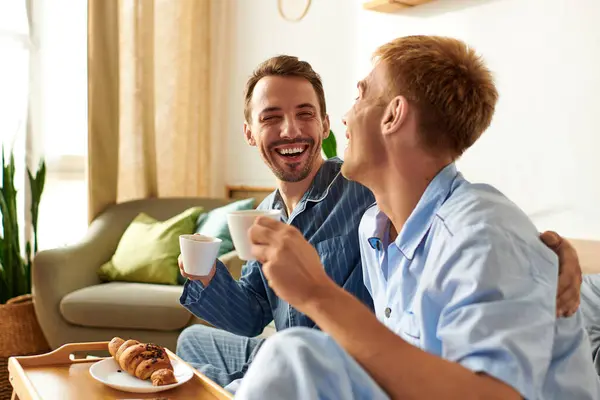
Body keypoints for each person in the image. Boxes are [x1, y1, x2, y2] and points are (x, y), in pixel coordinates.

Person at [177, 55, 582, 393]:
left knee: (291, 355)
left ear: (393, 115)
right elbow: (253, 312)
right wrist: (203, 276)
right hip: (350, 364)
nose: (349, 115)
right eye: (271, 117)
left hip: (337, 358)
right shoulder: (376, 225)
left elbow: (465, 212)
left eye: (360, 95)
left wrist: (547, 250)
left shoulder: (366, 195)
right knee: (198, 344)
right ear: (250, 133)